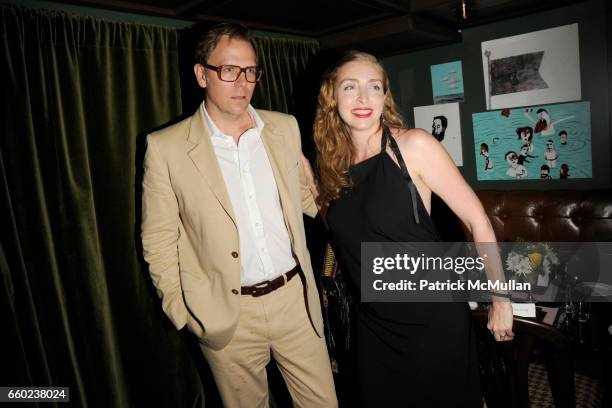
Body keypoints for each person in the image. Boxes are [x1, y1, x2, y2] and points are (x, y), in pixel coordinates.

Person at [141, 23, 337, 408]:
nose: (242, 82)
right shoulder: (165, 148)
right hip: (226, 318)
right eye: (228, 70)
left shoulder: (284, 128)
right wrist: (184, 315)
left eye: (250, 71)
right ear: (202, 74)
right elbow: (158, 239)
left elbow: (305, 199)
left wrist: (346, 201)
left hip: (295, 302)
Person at [310, 51, 513, 407]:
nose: (363, 98)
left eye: (374, 87)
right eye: (350, 87)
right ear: (332, 96)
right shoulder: (330, 165)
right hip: (372, 324)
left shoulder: (414, 146)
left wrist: (500, 298)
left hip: (432, 321)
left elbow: (476, 219)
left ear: (384, 96)